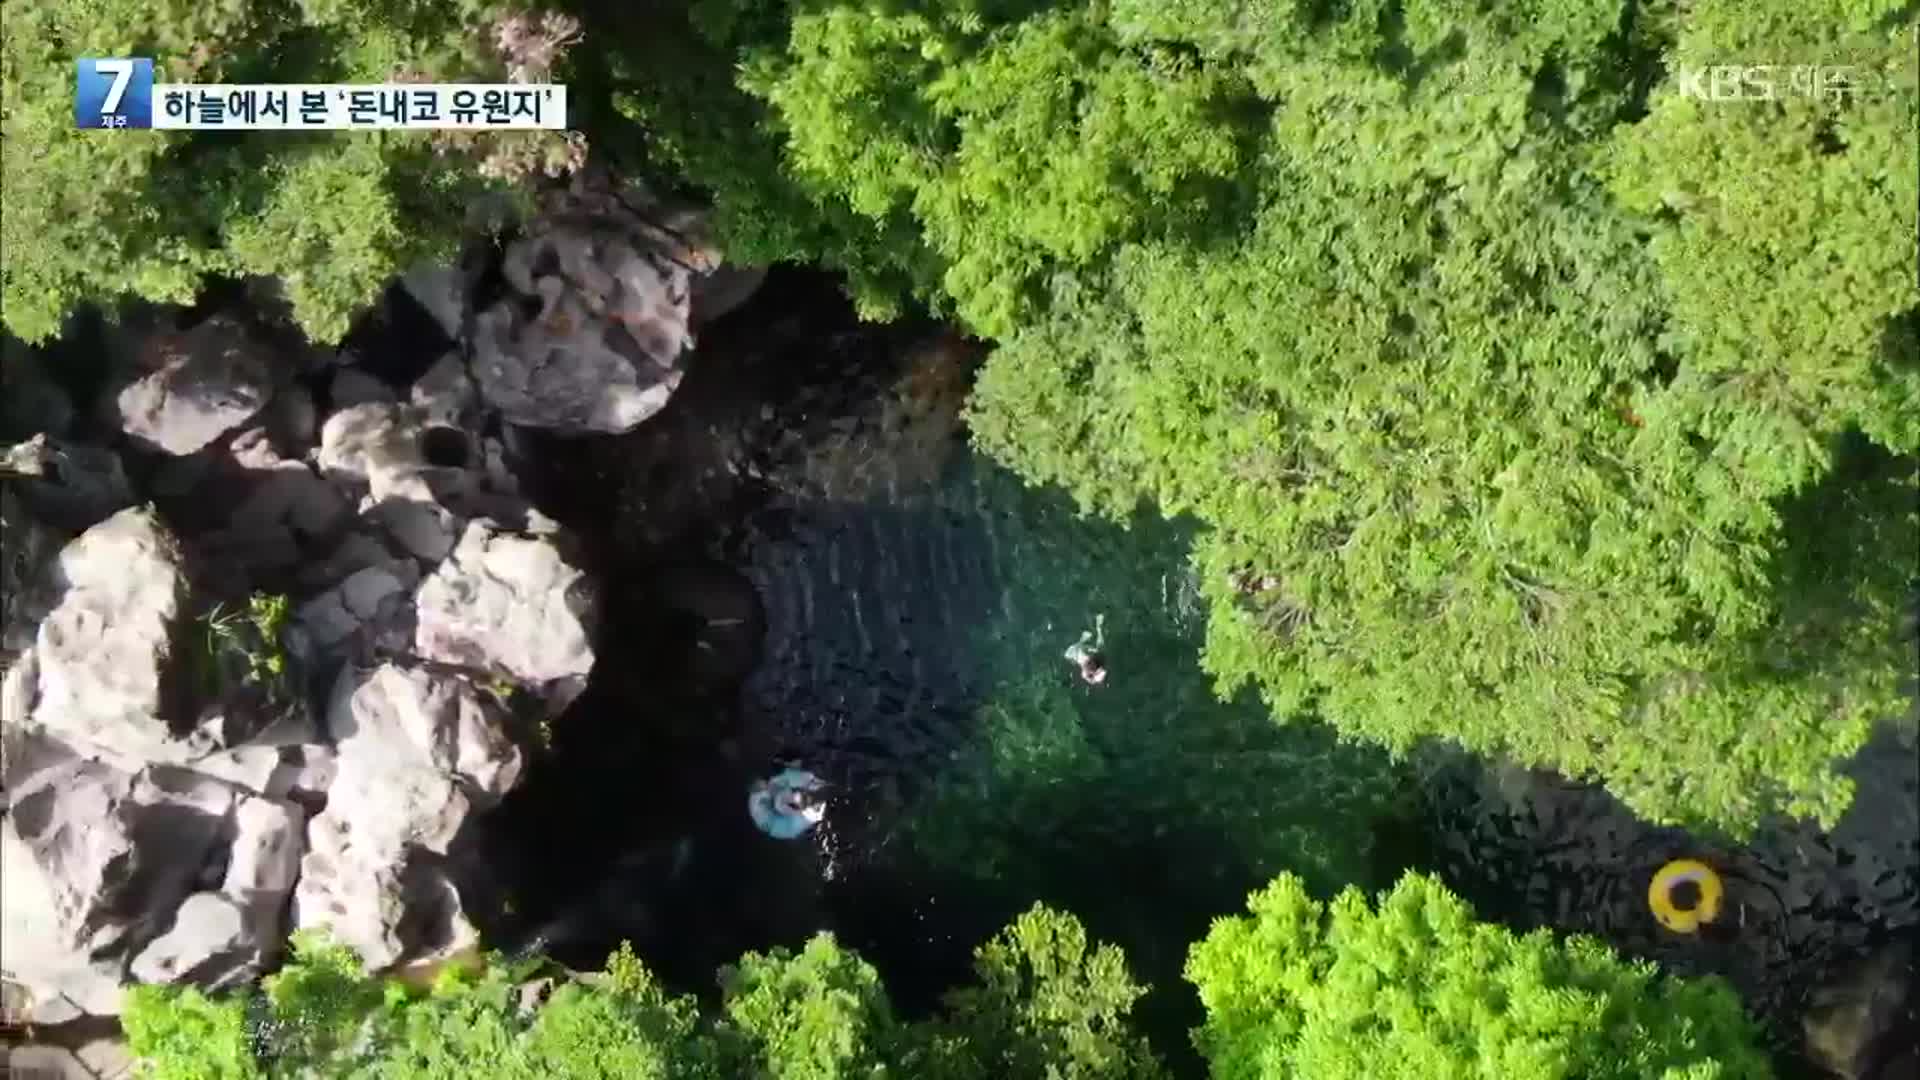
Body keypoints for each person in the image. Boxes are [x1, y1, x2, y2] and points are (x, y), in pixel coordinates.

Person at [749, 767, 827, 840]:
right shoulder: (764, 800)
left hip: (785, 822)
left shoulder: (774, 787)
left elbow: (785, 782)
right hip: (784, 824)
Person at [1064, 614, 1108, 686]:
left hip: (1077, 652)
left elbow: (1087, 674)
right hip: (1081, 653)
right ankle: (1098, 628)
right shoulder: (1091, 667)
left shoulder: (1086, 669)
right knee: (1099, 649)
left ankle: (1095, 630)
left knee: (1087, 650)